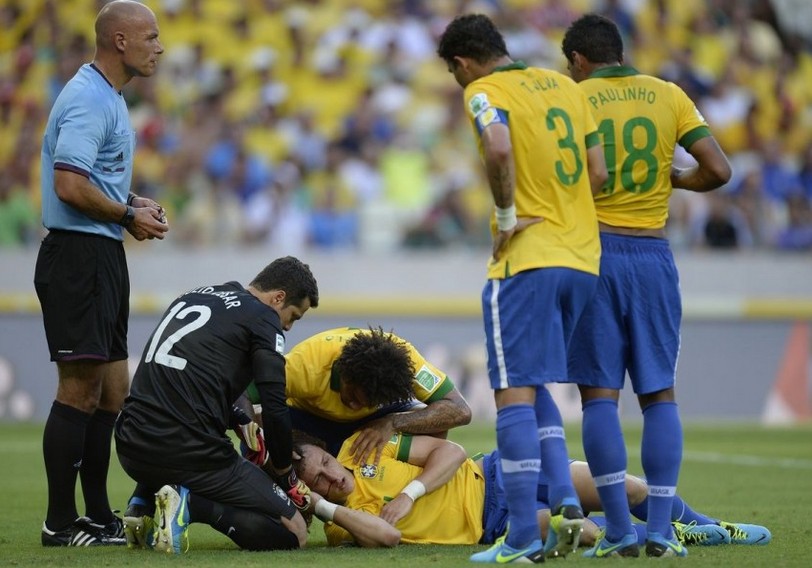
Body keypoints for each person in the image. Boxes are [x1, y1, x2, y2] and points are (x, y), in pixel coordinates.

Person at [560, 14, 733, 558]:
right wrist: (674, 178)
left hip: (594, 254)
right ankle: (660, 528)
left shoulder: (572, 97)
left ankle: (618, 529)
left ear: (578, 60)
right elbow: (719, 170)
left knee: (598, 398)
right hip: (653, 257)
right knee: (659, 396)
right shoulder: (669, 95)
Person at [436, 13, 608, 562]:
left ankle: (521, 540)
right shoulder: (565, 86)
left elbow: (499, 147)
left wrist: (509, 215)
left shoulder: (485, 90)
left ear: (462, 63)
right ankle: (565, 503)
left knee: (511, 391)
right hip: (583, 260)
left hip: (528, 261)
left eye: (455, 73)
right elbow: (598, 173)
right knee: (533, 384)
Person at [34, 0, 169, 547]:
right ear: (120, 40)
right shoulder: (89, 99)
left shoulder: (108, 97)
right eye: (151, 37)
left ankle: (95, 514)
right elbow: (68, 185)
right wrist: (126, 215)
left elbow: (91, 175)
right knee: (79, 390)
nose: (160, 47)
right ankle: (59, 522)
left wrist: (129, 201)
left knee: (113, 393)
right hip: (78, 257)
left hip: (102, 255)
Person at [114, 256, 320, 553]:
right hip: (188, 452)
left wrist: (237, 416)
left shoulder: (196, 295)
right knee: (295, 532)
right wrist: (285, 473)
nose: (287, 326)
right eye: (293, 316)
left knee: (167, 420)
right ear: (278, 298)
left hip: (129, 444)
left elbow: (185, 380)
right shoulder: (263, 318)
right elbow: (274, 406)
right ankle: (191, 504)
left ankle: (141, 503)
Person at [292, 431, 771, 549]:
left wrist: (410, 493)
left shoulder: (365, 446)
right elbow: (389, 536)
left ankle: (714, 527)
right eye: (319, 481)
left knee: (627, 487)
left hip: (498, 474)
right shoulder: (341, 525)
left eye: (326, 464)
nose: (331, 477)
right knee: (580, 532)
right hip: (494, 525)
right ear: (313, 492)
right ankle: (671, 537)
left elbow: (452, 452)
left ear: (330, 452)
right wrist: (321, 507)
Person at [243, 326, 472, 462]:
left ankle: (390, 490)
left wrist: (393, 422)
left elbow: (460, 410)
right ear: (343, 371)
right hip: (308, 421)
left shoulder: (406, 364)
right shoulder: (306, 364)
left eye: (367, 402)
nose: (354, 406)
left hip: (372, 421)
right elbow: (242, 395)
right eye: (352, 394)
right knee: (262, 434)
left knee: (435, 427)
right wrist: (267, 441)